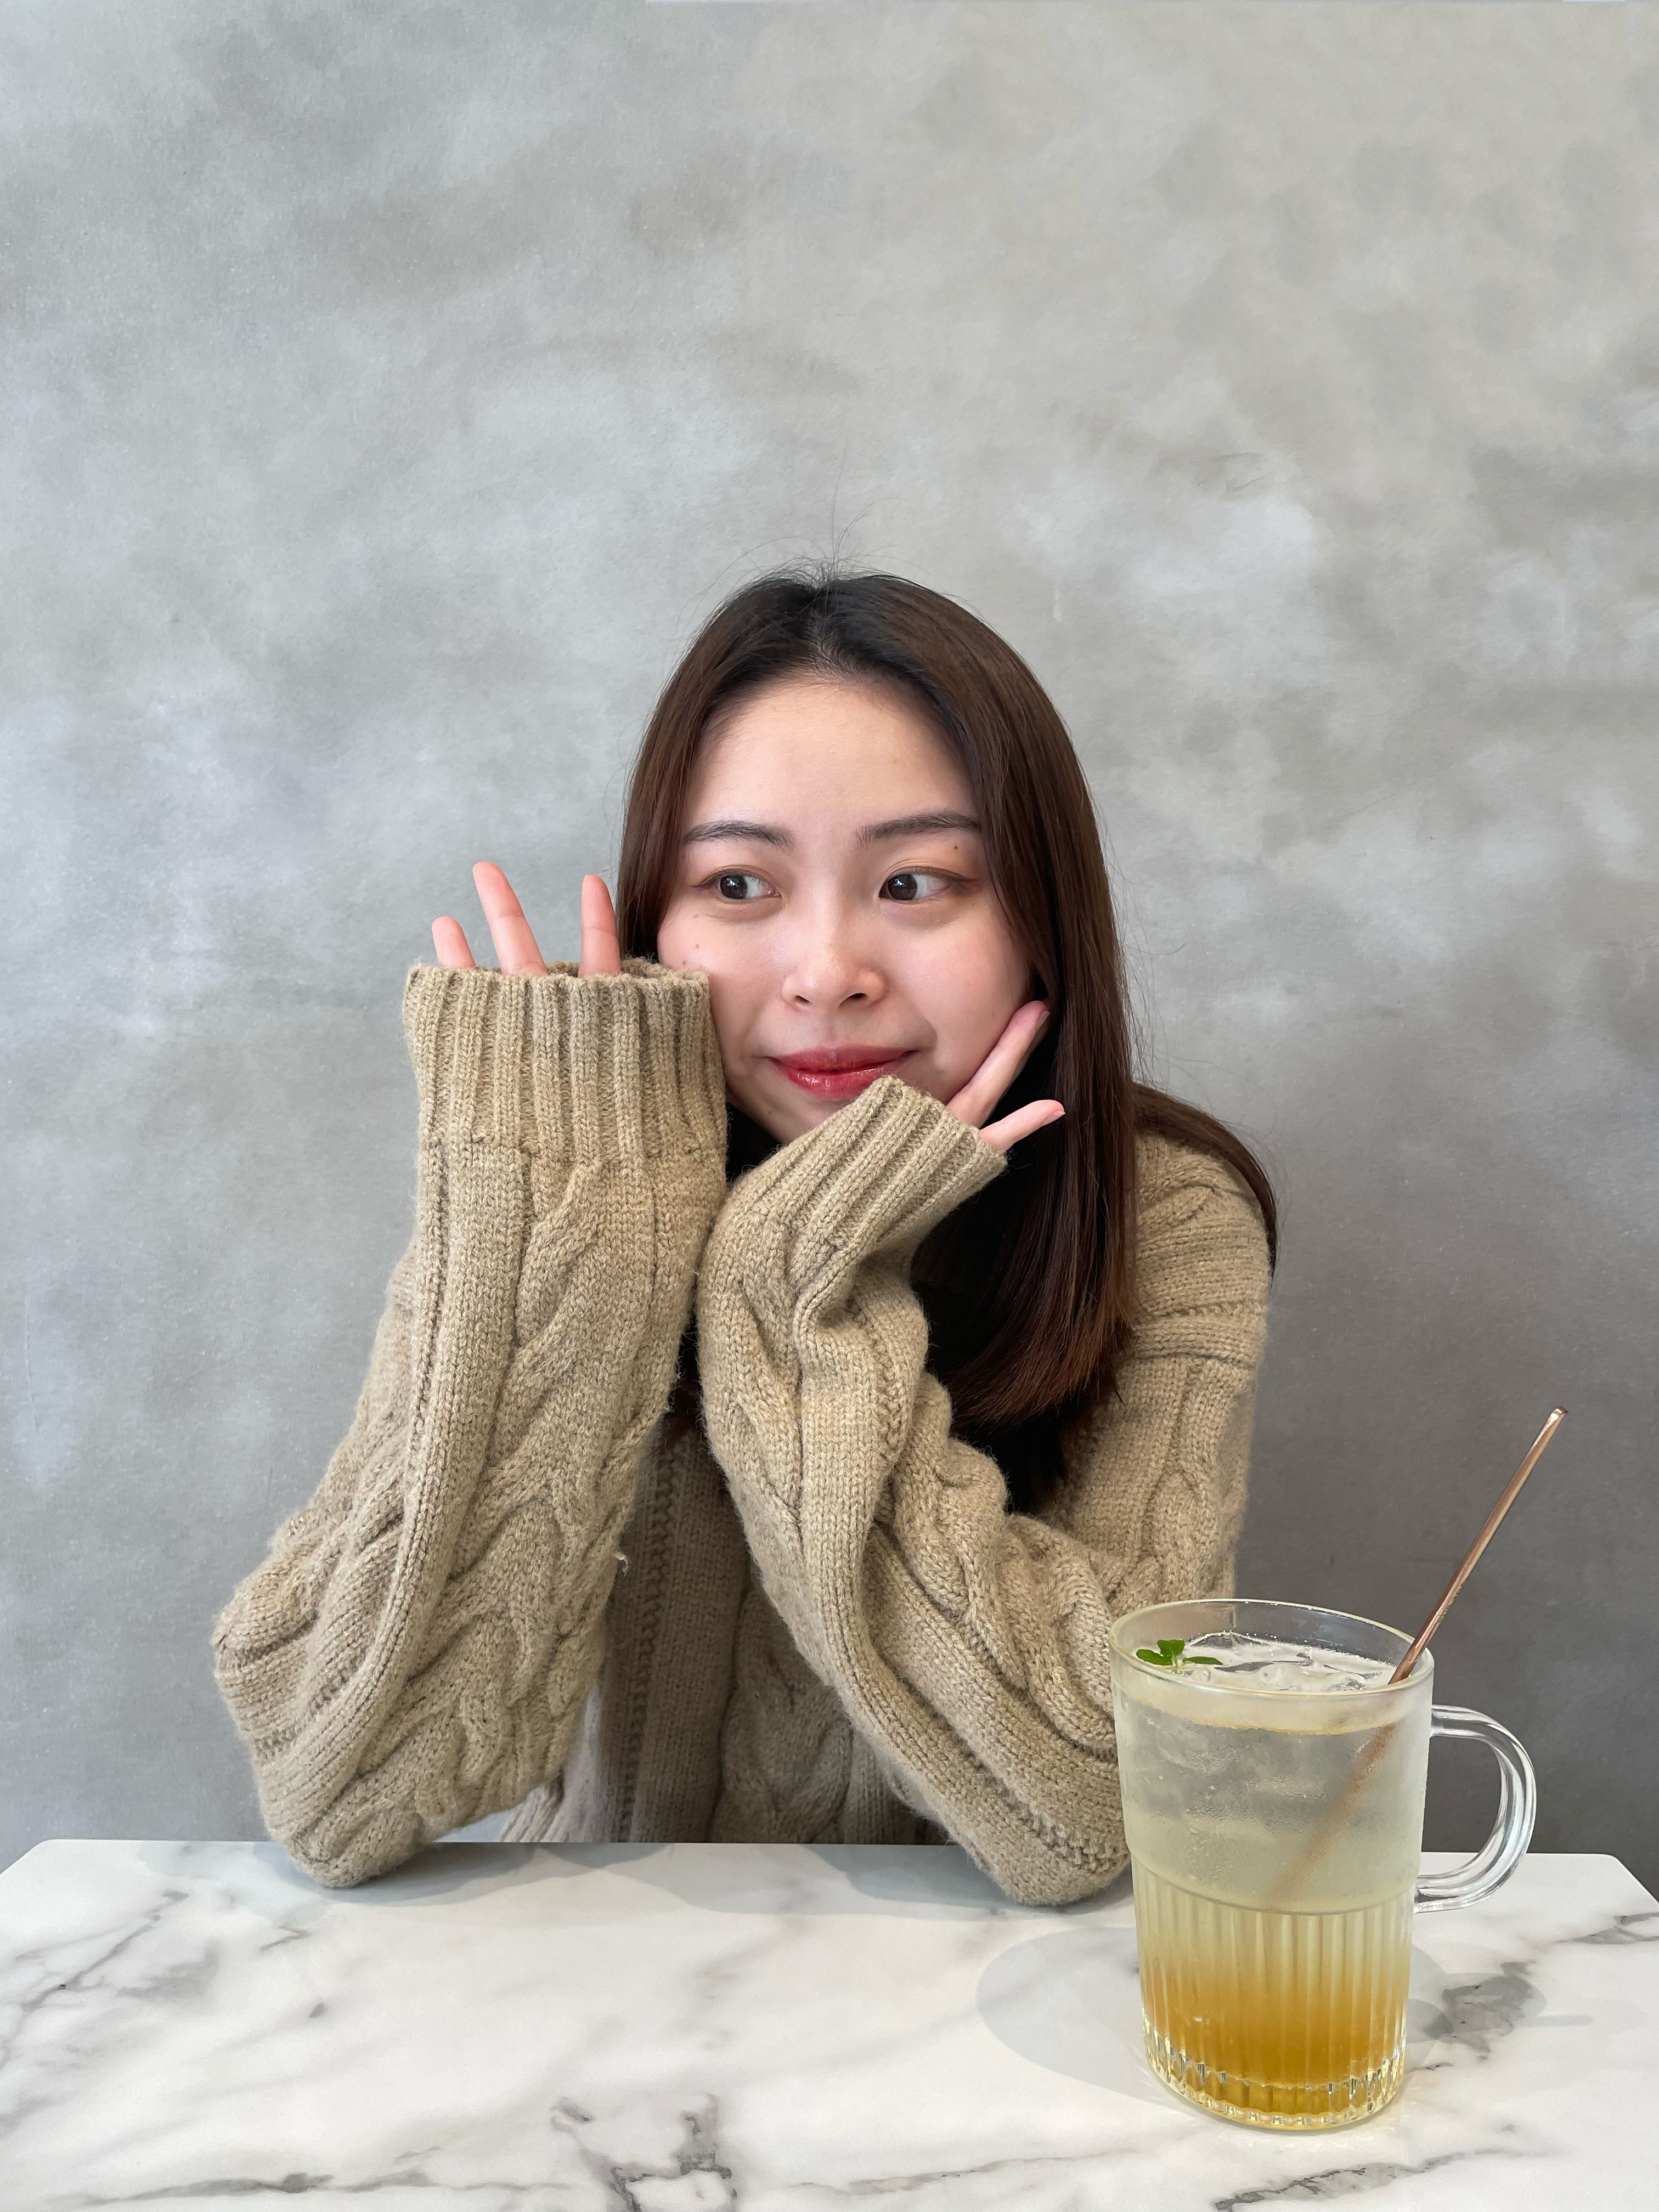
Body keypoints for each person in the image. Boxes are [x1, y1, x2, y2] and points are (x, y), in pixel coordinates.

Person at [213, 569, 1274, 1904]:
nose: (828, 973)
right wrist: (561, 1223)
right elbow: (343, 1796)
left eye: (917, 881)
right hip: (594, 1962)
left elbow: (1090, 1803)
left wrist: (790, 1284)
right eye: (736, 882)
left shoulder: (1163, 1213)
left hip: (981, 1987)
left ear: (1041, 919)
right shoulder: (565, 1182)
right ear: (659, 919)